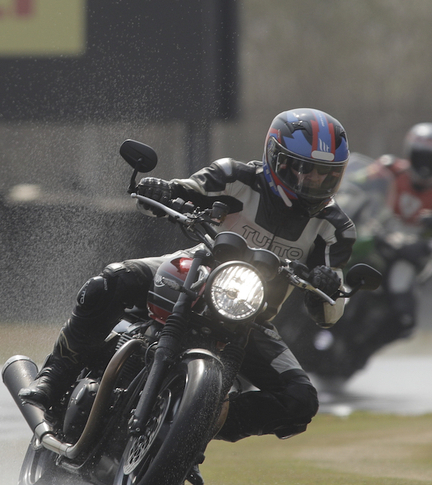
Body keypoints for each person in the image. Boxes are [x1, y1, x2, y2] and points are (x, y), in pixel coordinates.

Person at [19, 108, 357, 454]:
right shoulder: (234, 175)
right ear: (274, 157)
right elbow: (190, 190)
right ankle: (55, 374)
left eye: (324, 174)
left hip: (248, 316)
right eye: (303, 169)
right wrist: (163, 190)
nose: (312, 181)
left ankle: (200, 425)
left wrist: (327, 287)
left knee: (301, 401)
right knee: (109, 282)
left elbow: (330, 312)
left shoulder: (336, 227)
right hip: (192, 274)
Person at [360, 122, 432, 338]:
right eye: (422, 156)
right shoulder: (387, 169)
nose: (426, 165)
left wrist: (423, 246)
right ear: (410, 152)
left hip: (406, 253)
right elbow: (352, 184)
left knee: (402, 278)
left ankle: (399, 320)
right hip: (371, 233)